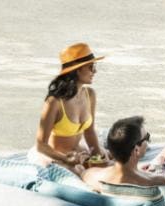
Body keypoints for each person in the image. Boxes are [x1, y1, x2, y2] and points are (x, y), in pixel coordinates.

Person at [82, 115, 165, 202]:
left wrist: (137, 169)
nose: (148, 141)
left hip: (147, 170)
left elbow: (121, 173)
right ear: (136, 150)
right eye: (147, 138)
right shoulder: (157, 182)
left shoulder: (91, 174)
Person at [28, 42, 108, 175]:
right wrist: (65, 159)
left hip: (78, 153)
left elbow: (89, 131)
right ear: (78, 70)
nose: (95, 71)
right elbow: (41, 145)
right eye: (91, 67)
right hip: (57, 156)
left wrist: (97, 154)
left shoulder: (90, 94)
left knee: (108, 165)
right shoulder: (54, 102)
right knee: (83, 173)